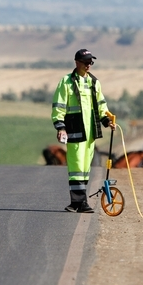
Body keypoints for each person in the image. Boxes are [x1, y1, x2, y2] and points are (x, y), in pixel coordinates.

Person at [51, 48, 115, 213]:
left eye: (90, 62)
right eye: (86, 62)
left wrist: (107, 121)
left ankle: (77, 204)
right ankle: (80, 202)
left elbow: (101, 106)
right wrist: (61, 128)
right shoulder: (66, 82)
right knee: (77, 167)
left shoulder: (94, 82)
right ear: (77, 62)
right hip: (74, 130)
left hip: (91, 133)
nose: (88, 65)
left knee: (85, 168)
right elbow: (59, 107)